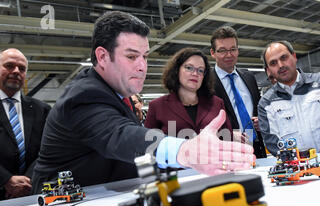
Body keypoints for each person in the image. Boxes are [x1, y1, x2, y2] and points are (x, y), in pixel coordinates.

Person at [31, 11, 254, 193]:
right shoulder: (84, 95)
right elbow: (122, 137)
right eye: (131, 56)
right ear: (102, 56)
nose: (142, 66)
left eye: (144, 56)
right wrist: (186, 150)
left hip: (98, 197)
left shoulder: (116, 95)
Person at [258, 40, 320, 156]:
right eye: (273, 63)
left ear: (294, 57)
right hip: (298, 170)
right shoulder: (266, 103)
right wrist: (302, 163)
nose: (280, 65)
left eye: (284, 58)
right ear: (268, 70)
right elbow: (273, 143)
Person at [145, 47, 232, 139]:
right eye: (189, 68)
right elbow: (148, 144)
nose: (195, 73)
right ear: (177, 70)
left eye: (200, 70)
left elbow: (227, 139)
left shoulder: (217, 104)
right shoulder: (157, 106)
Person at [0, 48, 51, 200]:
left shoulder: (42, 110)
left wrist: (27, 181)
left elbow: (48, 149)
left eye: (22, 69)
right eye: (9, 66)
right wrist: (6, 180)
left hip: (31, 193)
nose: (16, 71)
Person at [210, 26, 267, 159]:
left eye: (233, 49)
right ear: (213, 53)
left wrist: (261, 121)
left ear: (238, 50)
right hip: (226, 152)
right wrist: (228, 134)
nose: (229, 55)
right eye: (222, 50)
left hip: (256, 148)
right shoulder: (205, 83)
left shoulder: (249, 77)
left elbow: (258, 109)